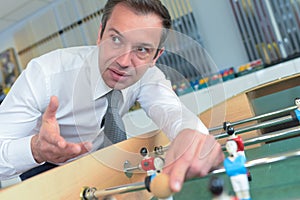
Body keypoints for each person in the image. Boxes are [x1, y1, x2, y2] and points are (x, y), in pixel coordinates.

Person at [0, 0, 224, 194]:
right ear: (99, 35)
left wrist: (190, 134)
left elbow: (172, 112)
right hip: (45, 176)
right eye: (116, 40)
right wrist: (36, 150)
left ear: (156, 56)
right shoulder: (45, 74)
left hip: (102, 171)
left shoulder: (148, 77)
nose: (124, 61)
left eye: (142, 50)